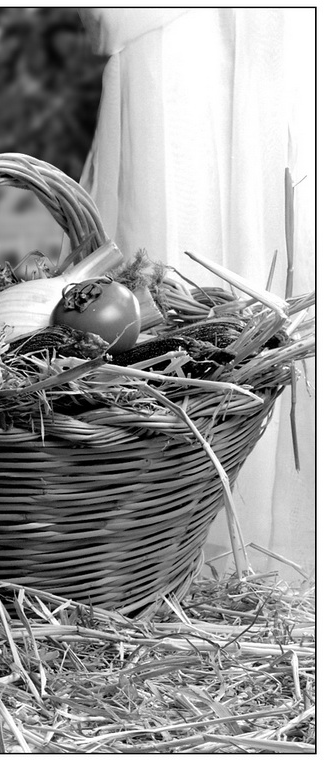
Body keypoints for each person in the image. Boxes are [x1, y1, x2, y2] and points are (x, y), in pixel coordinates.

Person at [77, 8, 315, 577]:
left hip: (280, 32)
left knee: (267, 208)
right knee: (167, 239)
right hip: (170, 30)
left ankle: (231, 537)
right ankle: (152, 543)